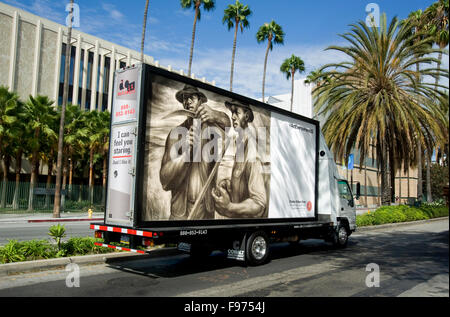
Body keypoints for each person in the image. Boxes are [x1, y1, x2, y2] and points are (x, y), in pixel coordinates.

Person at [159, 84, 230, 220]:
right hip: (182, 215)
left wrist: (214, 114)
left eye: (193, 97)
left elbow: (227, 124)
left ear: (200, 101)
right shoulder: (176, 134)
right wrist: (186, 152)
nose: (188, 101)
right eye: (185, 98)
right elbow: (165, 181)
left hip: (206, 212)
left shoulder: (212, 132)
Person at [212, 99, 268, 219]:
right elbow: (243, 184)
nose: (232, 117)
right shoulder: (241, 146)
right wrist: (229, 184)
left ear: (246, 116)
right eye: (232, 112)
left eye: (237, 112)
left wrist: (229, 207)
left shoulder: (252, 152)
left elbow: (259, 203)